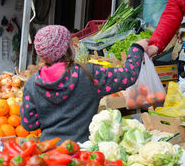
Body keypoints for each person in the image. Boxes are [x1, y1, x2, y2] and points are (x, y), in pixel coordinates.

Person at [20, 25, 148, 143]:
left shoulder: (32, 83)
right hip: (82, 153)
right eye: (71, 43)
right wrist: (137, 49)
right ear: (66, 51)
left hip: (49, 152)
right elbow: (128, 76)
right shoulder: (88, 74)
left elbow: (29, 124)